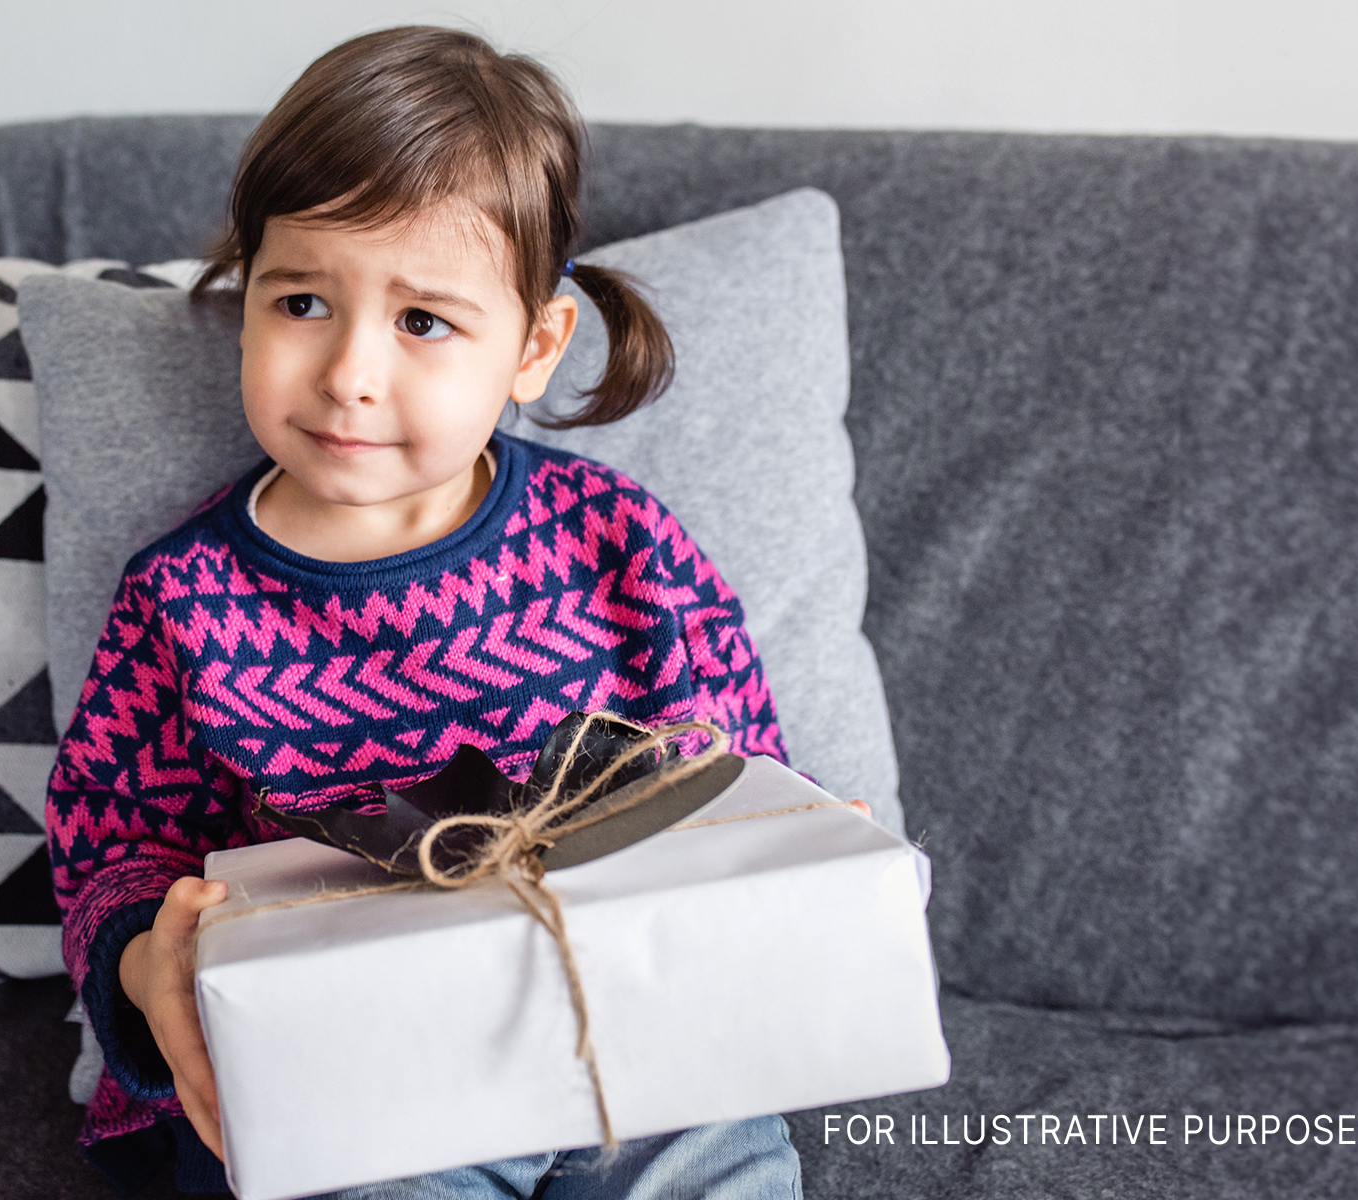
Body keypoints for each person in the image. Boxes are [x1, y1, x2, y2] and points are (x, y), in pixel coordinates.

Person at [47, 24, 805, 1199]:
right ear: (247, 300)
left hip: (624, 1042)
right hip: (348, 1069)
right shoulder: (183, 599)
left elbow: (732, 773)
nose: (350, 371)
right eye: (302, 301)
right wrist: (151, 956)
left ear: (533, 347)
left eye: (422, 322)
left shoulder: (621, 547)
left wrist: (788, 846)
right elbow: (114, 836)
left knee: (719, 1163)